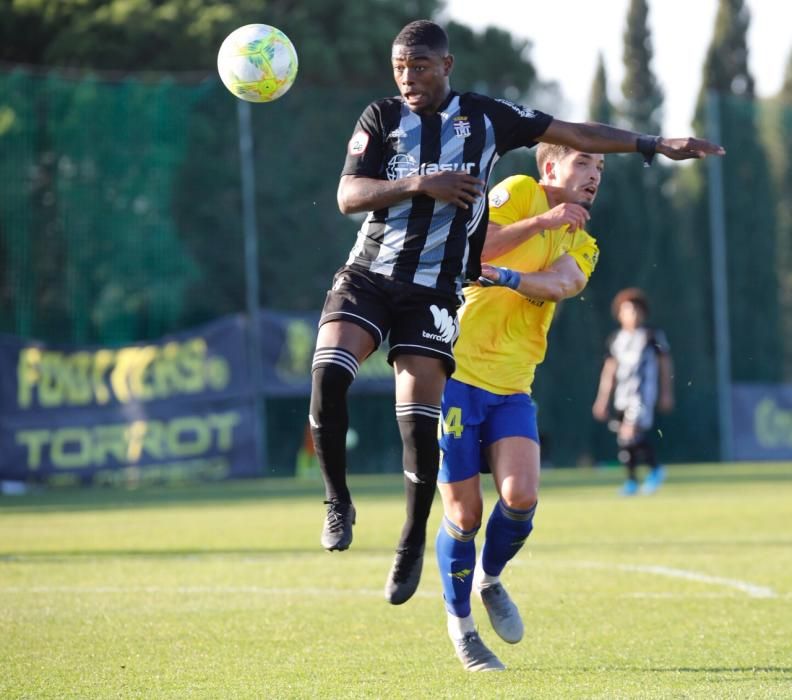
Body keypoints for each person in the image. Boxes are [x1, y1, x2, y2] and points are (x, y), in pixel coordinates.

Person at [309, 18, 723, 608]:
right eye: (400, 68)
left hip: (434, 292)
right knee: (328, 373)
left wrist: (651, 144)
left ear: (446, 66)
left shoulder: (484, 118)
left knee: (420, 422)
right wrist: (424, 183)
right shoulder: (383, 119)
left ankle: (412, 541)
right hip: (372, 271)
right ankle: (337, 501)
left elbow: (571, 132)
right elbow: (349, 196)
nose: (408, 79)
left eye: (420, 67)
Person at [435, 142, 604, 671]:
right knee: (465, 513)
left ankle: (488, 578)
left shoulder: (585, 243)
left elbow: (564, 283)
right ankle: (462, 629)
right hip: (456, 377)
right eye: (584, 163)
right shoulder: (519, 192)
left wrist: (509, 278)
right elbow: (476, 245)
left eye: (600, 167)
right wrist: (540, 222)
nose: (594, 174)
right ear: (550, 167)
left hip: (512, 385)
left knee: (522, 495)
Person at [592, 288, 674, 495]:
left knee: (630, 432)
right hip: (622, 396)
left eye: (637, 310)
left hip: (642, 395)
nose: (633, 315)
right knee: (625, 439)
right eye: (628, 310)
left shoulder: (652, 336)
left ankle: (654, 471)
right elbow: (609, 370)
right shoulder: (616, 340)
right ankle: (634, 480)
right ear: (620, 314)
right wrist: (602, 400)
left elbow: (665, 364)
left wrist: (666, 392)